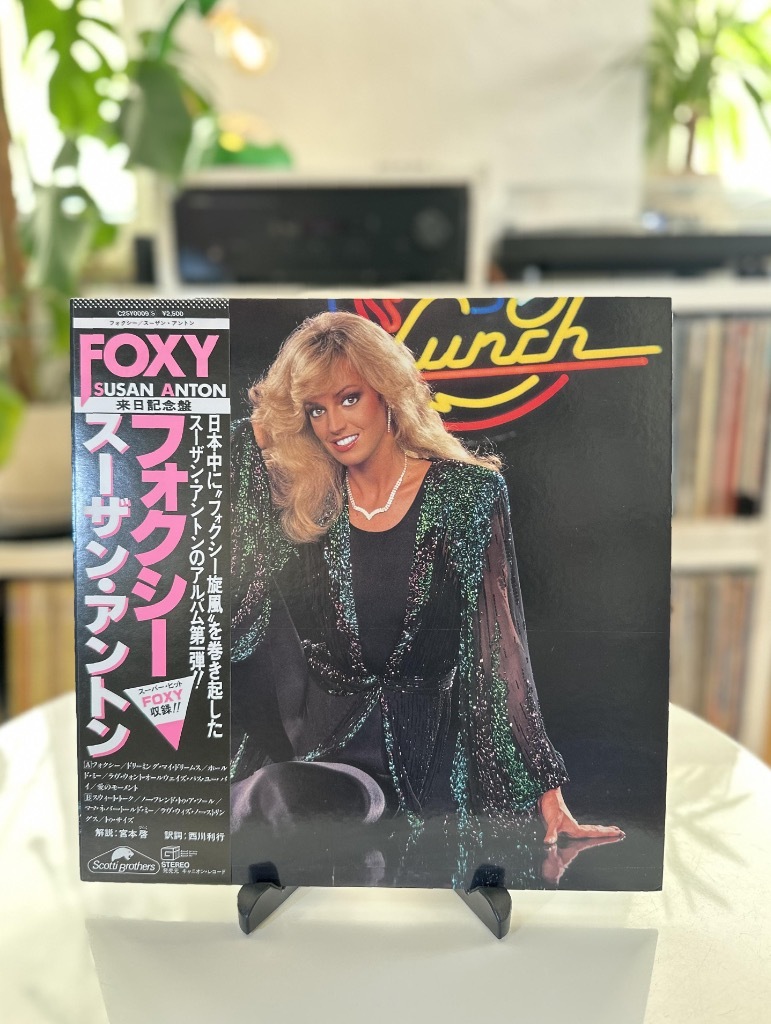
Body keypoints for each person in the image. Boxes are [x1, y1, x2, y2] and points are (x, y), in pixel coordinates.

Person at [229, 310, 623, 885]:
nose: (334, 424)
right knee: (275, 801)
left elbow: (498, 649)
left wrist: (546, 787)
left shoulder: (467, 493)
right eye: (315, 409)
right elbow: (240, 611)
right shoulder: (308, 501)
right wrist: (255, 435)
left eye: (348, 398)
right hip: (321, 746)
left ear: (386, 393)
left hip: (430, 754)